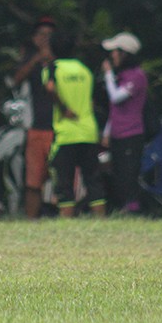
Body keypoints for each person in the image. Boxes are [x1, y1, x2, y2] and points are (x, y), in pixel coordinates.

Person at [45, 34, 106, 218]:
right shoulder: (84, 70)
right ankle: (101, 219)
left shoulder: (53, 68)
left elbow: (50, 88)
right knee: (93, 179)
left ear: (52, 49)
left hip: (66, 133)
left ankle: (67, 220)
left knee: (64, 181)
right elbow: (92, 99)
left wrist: (64, 109)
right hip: (88, 131)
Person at [11, 17, 57, 219]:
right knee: (33, 178)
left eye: (49, 35)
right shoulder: (30, 60)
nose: (45, 39)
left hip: (59, 126)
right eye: (41, 35)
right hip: (36, 126)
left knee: (59, 177)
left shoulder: (61, 61)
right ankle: (31, 218)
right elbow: (15, 80)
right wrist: (37, 59)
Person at [100, 32, 148, 215]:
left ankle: (133, 209)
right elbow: (114, 109)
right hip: (117, 133)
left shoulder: (137, 76)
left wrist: (108, 74)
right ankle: (122, 208)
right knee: (118, 174)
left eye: (115, 51)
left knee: (129, 174)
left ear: (125, 54)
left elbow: (116, 97)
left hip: (131, 133)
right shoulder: (122, 75)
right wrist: (107, 132)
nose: (112, 55)